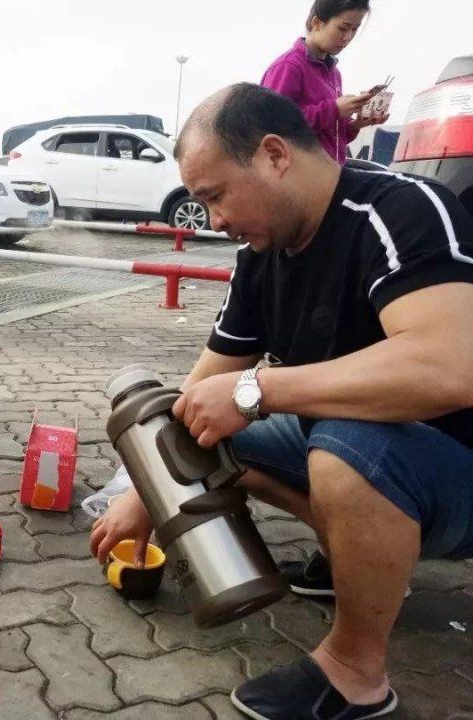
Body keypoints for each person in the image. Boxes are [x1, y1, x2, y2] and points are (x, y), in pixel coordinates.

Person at [91, 83, 473, 719]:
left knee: (348, 446)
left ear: (273, 155)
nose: (211, 218)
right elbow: (201, 388)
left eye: (214, 196)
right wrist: (146, 494)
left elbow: (451, 364)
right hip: (374, 454)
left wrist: (259, 389)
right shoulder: (261, 254)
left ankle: (355, 673)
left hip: (458, 468)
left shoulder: (399, 212)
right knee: (202, 434)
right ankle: (354, 560)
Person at [261, 0, 388, 164]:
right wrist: (334, 109)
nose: (348, 37)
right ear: (317, 22)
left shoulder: (334, 73)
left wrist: (356, 124)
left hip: (330, 177)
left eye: (354, 29)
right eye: (342, 28)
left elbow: (330, 138)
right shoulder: (288, 66)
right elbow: (273, 127)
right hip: (298, 180)